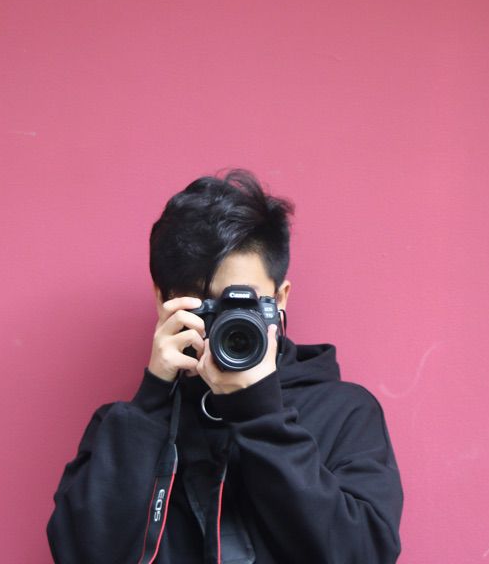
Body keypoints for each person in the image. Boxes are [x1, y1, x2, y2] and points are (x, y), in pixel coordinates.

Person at [46, 169, 403, 563]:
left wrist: (261, 414)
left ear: (279, 298)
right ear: (162, 299)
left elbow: (363, 555)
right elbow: (78, 555)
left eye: (243, 304)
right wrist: (151, 401)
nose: (226, 323)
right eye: (206, 305)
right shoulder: (126, 426)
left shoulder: (345, 412)